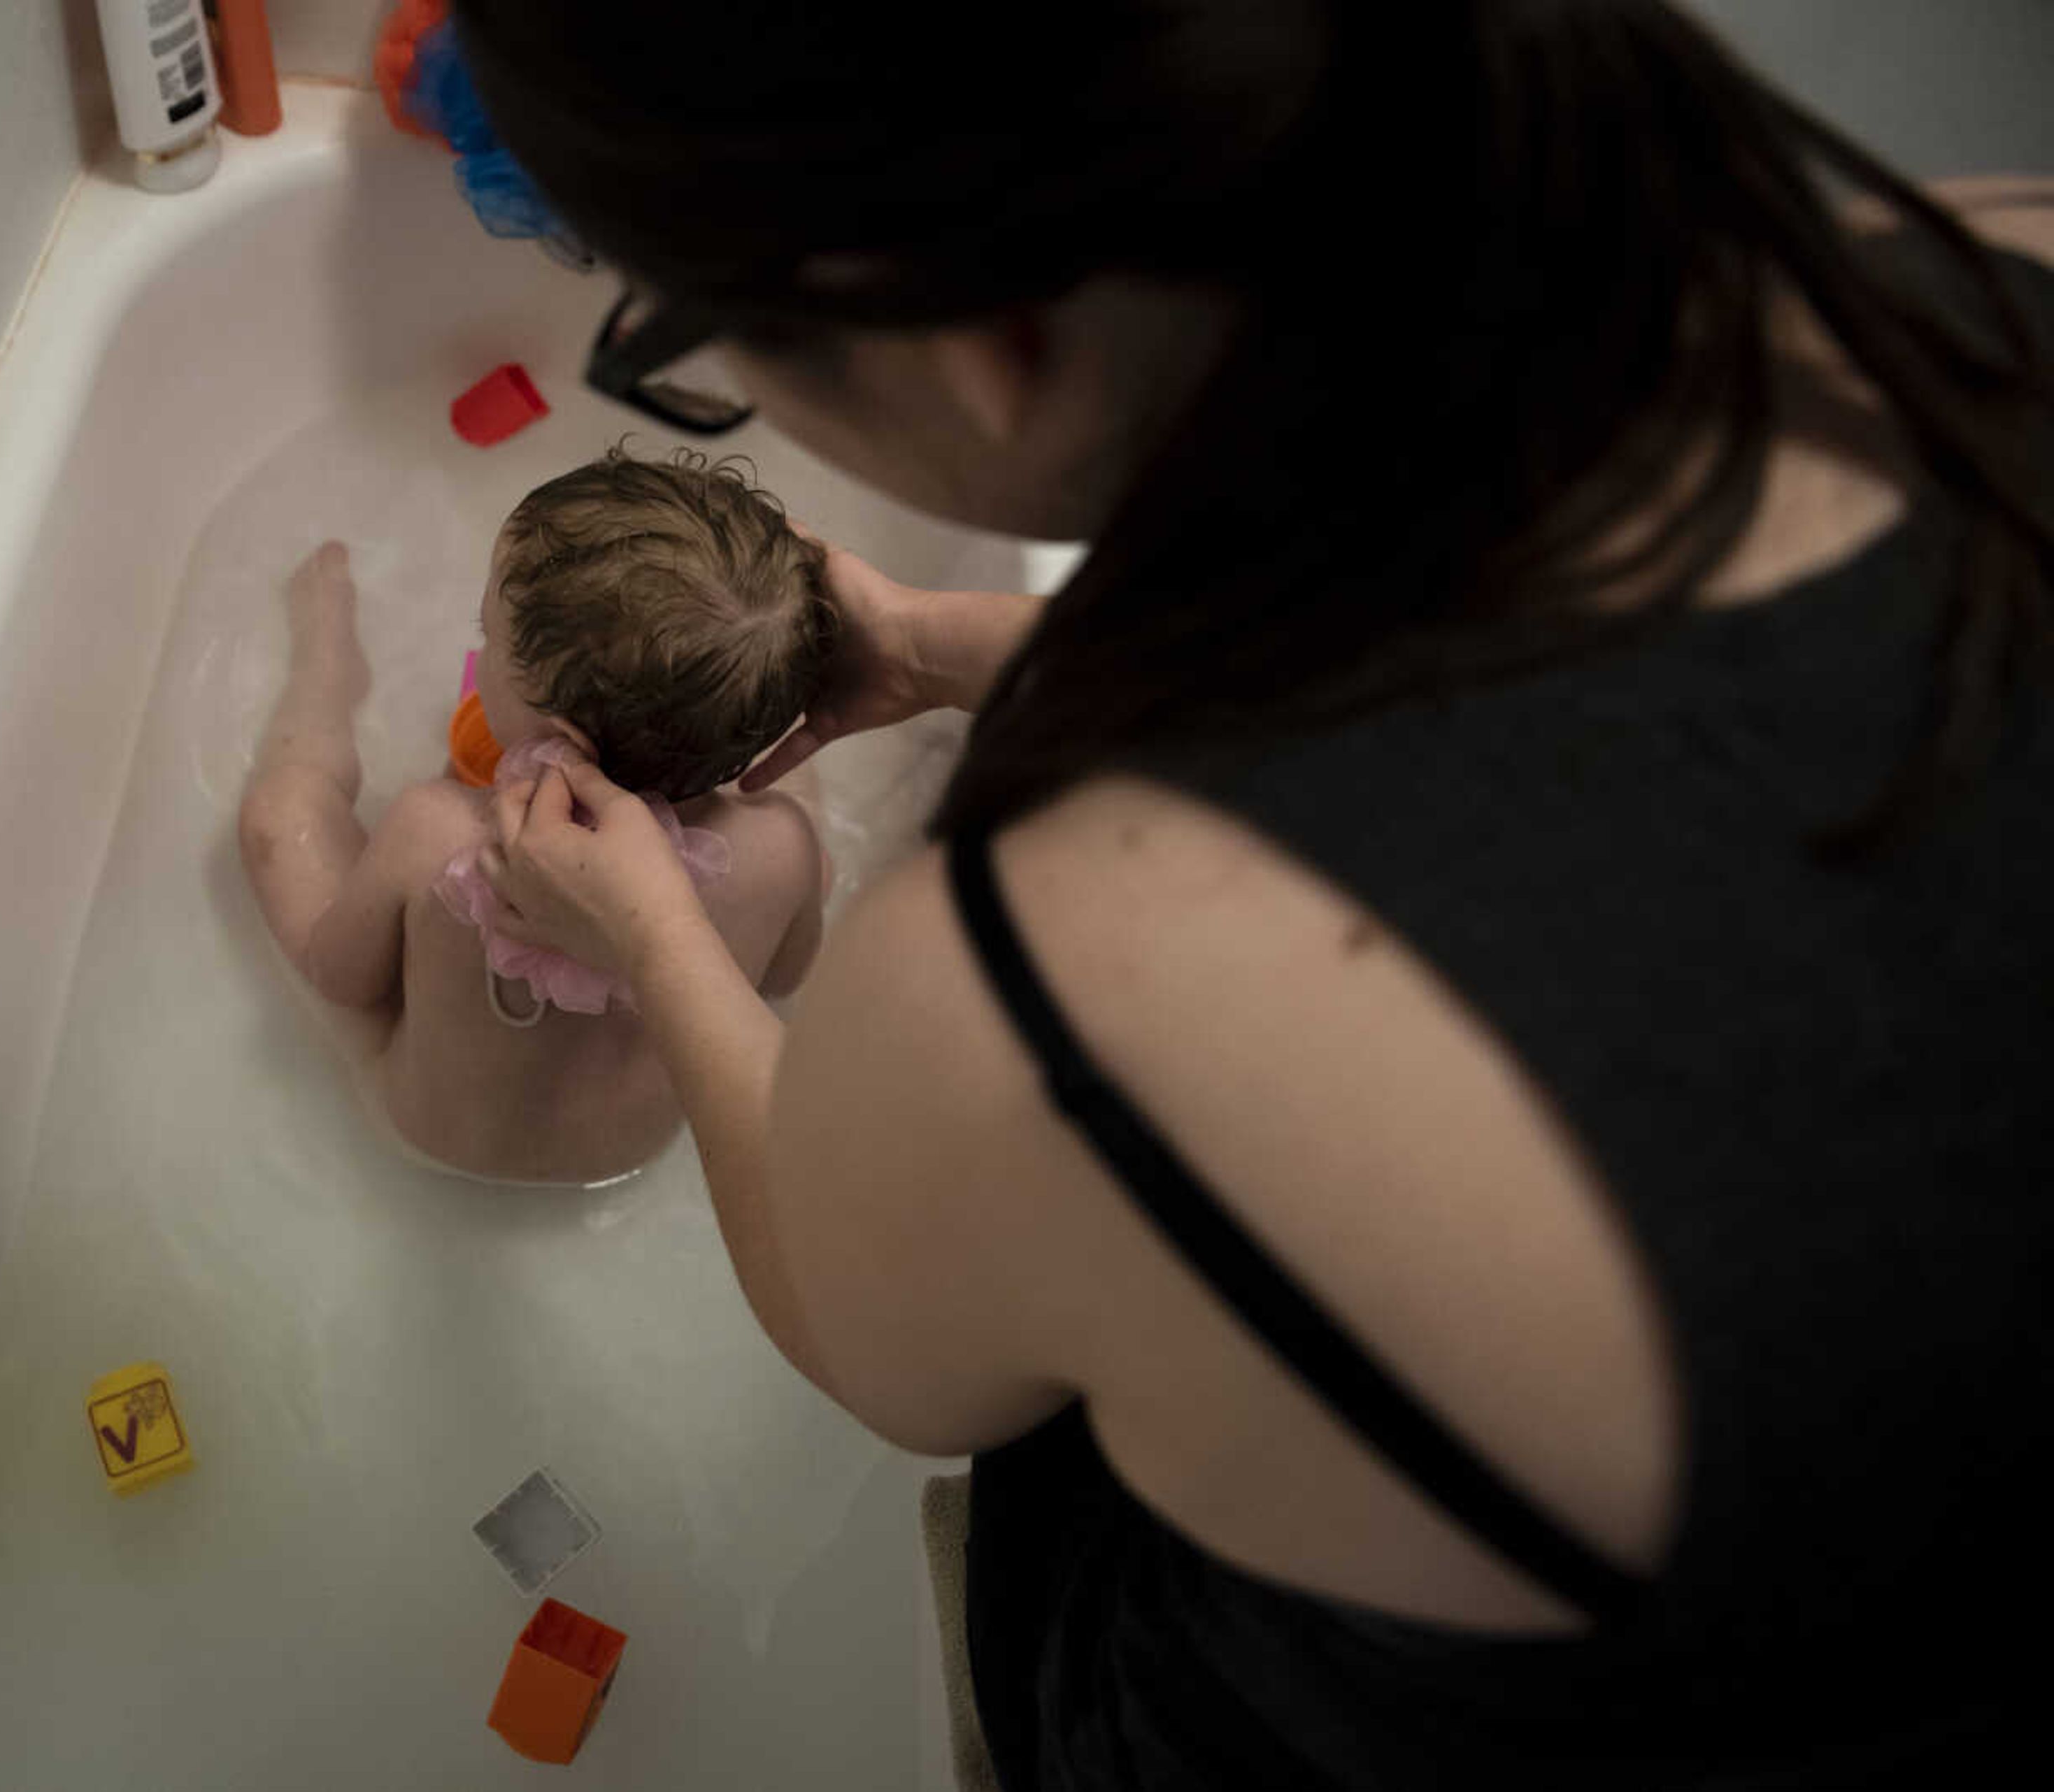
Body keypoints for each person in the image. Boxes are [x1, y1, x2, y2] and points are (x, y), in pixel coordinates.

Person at [451, 0, 2054, 1782]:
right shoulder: (1975, 263)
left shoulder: (1065, 982)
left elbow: (868, 1342)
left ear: (985, 344)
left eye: (687, 331)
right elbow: (1532, 685)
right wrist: (947, 646)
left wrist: (657, 938)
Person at [238, 449, 829, 1184]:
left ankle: (325, 667)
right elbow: (781, 979)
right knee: (797, 795)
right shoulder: (786, 852)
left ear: (563, 743)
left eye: (486, 637)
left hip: (431, 1134)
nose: (478, 650)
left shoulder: (440, 836)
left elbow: (345, 979)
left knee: (282, 808)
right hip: (631, 1155)